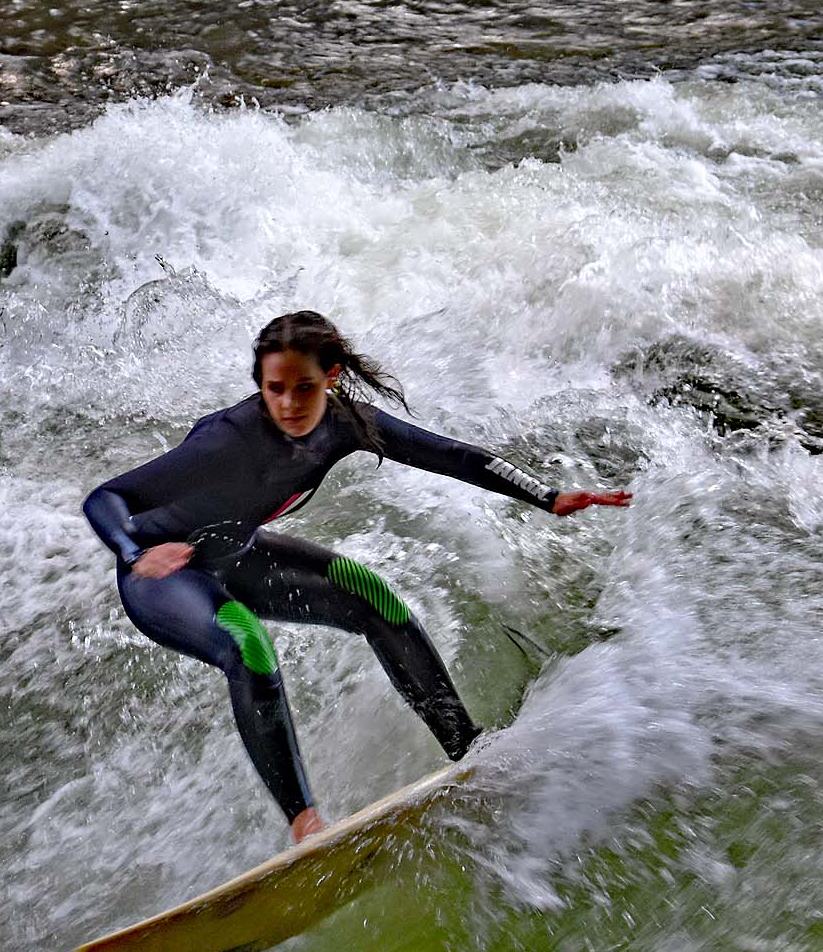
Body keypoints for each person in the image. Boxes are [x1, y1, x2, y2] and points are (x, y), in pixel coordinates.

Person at [84, 311, 633, 844]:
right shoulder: (229, 440)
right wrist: (135, 555)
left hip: (239, 558)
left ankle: (470, 752)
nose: (289, 403)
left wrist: (547, 496)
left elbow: (447, 455)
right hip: (164, 574)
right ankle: (305, 825)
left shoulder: (343, 423)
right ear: (259, 385)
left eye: (304, 387)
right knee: (249, 644)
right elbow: (107, 497)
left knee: (373, 597)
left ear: (332, 378)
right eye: (275, 389)